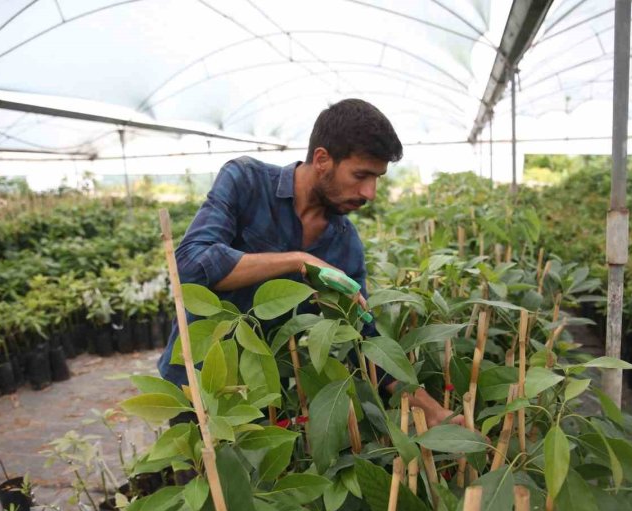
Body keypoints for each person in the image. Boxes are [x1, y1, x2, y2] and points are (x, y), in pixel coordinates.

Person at [157, 98, 456, 428]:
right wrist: (298, 261)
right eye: (360, 175)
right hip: (196, 382)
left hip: (264, 397)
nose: (370, 192)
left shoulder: (345, 245)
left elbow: (364, 338)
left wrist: (434, 411)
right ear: (322, 159)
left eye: (377, 178)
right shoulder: (246, 182)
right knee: (197, 474)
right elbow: (189, 266)